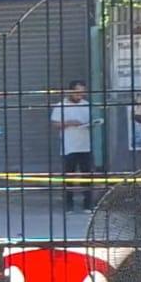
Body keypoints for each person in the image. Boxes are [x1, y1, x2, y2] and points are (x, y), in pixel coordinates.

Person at [51, 80, 96, 212]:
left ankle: (87, 204)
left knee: (87, 176)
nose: (80, 95)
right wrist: (69, 123)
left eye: (82, 92)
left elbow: (89, 121)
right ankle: (68, 204)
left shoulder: (86, 105)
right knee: (68, 176)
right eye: (77, 92)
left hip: (85, 145)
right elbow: (55, 124)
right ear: (71, 91)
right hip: (69, 146)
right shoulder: (61, 106)